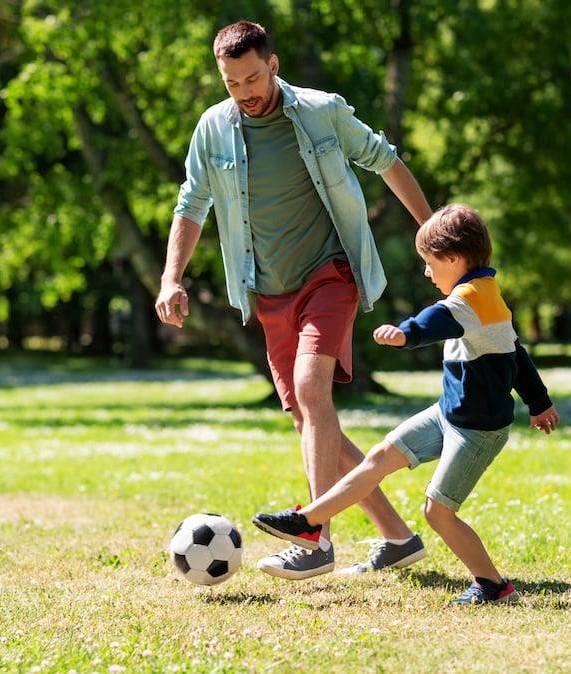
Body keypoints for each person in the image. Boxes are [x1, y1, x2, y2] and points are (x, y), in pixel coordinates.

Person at [154, 20, 435, 580]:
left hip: (329, 273)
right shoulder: (212, 129)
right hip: (267, 289)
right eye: (233, 83)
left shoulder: (320, 111)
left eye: (253, 78)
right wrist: (171, 277)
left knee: (313, 391)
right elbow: (191, 204)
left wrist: (434, 240)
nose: (245, 92)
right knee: (309, 420)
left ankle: (314, 537)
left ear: (274, 65)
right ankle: (398, 539)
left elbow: (386, 160)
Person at [252, 204, 561, 604]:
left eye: (430, 263)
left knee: (438, 512)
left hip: (477, 430)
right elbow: (516, 355)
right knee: (378, 457)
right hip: (447, 414)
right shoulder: (486, 295)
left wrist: (405, 334)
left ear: (454, 258)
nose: (427, 272)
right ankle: (309, 523)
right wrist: (540, 403)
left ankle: (492, 585)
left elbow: (438, 320)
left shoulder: (472, 298)